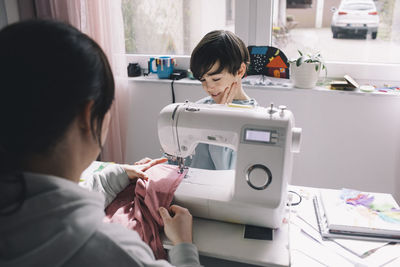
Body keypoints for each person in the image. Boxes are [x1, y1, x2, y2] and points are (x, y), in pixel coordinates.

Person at [0, 20, 200, 267]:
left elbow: (56, 199)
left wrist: (114, 174)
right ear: (88, 116)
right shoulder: (116, 253)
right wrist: (183, 247)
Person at [186, 30, 258, 170]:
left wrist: (221, 117)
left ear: (240, 71)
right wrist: (159, 163)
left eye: (216, 79)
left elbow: (226, 169)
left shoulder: (252, 120)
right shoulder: (201, 107)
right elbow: (183, 157)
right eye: (203, 80)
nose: (208, 87)